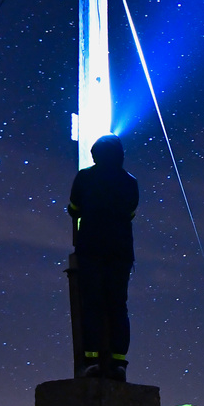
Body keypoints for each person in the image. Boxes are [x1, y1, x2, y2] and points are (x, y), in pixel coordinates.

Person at [67, 134, 139, 380]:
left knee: (92, 304)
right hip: (120, 252)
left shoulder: (86, 176)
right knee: (118, 305)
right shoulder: (129, 181)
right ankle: (118, 364)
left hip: (91, 248)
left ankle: (91, 361)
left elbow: (74, 207)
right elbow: (131, 212)